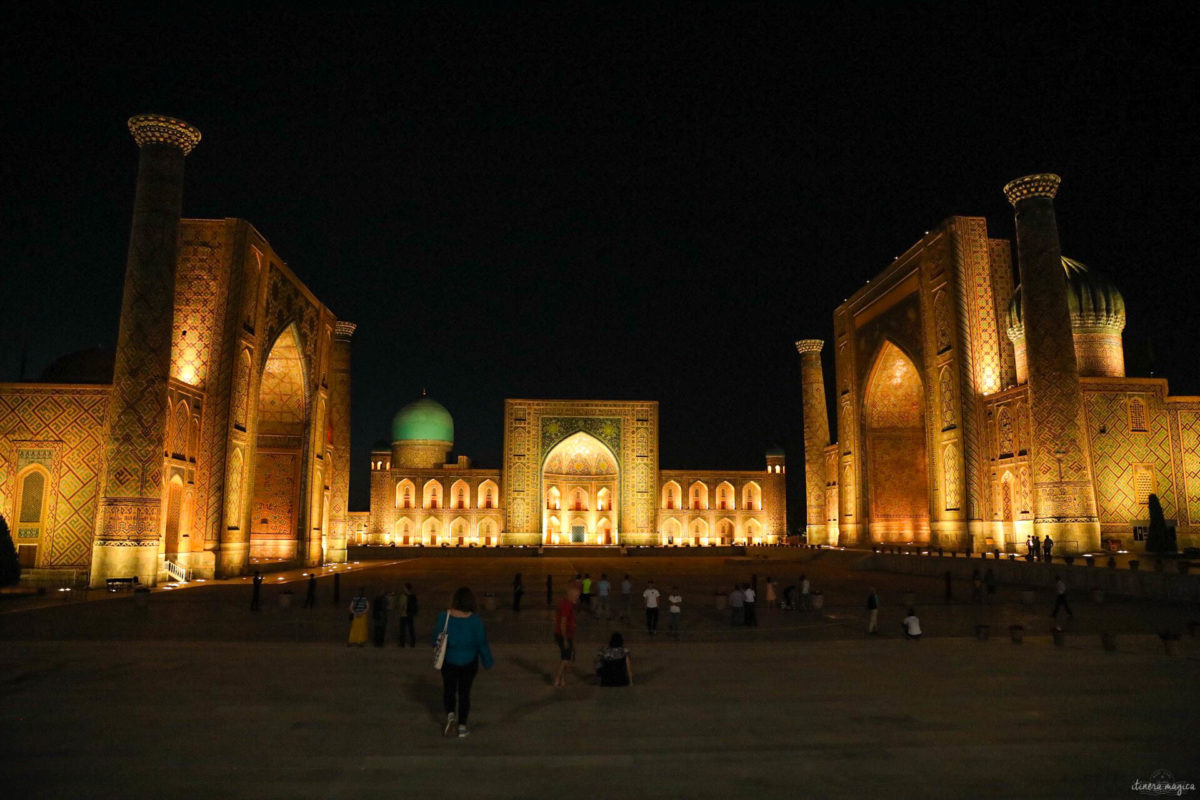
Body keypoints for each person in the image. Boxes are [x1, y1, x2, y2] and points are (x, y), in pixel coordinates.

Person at [432, 587, 494, 738]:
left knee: (449, 690)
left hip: (449, 661)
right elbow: (481, 643)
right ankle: (462, 727)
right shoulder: (475, 621)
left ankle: (451, 715)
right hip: (468, 662)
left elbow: (435, 639)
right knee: (464, 693)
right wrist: (487, 661)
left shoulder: (443, 617)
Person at [553, 584, 579, 688]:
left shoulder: (564, 603)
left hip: (562, 634)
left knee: (565, 657)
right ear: (570, 595)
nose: (577, 598)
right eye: (576, 595)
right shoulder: (567, 606)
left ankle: (562, 680)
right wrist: (565, 639)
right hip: (564, 635)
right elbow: (563, 622)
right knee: (566, 659)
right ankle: (557, 678)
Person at [399, 582, 417, 647]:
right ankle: (412, 643)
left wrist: (400, 611)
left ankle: (402, 643)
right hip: (410, 614)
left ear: (406, 588)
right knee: (411, 629)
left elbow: (401, 606)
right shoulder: (413, 596)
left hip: (403, 614)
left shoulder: (403, 596)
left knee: (402, 630)